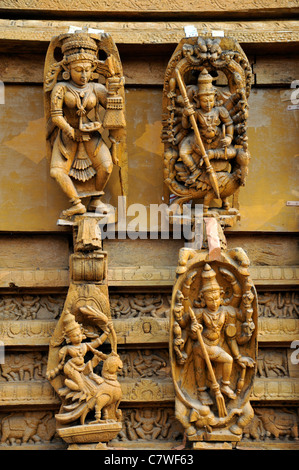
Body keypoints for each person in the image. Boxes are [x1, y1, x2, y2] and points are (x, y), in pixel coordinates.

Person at [48, 33, 114, 217]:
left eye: (87, 69)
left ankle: (95, 200)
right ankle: (76, 202)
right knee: (56, 171)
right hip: (68, 136)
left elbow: (113, 109)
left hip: (92, 135)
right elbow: (56, 116)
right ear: (68, 68)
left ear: (92, 68)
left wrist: (115, 89)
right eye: (78, 70)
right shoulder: (60, 88)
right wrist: (70, 131)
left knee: (106, 166)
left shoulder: (96, 89)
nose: (84, 75)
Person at [187, 264, 254, 406]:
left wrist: (238, 356)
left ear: (221, 295)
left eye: (216, 298)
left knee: (228, 360)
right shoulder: (200, 313)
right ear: (203, 299)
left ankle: (223, 385)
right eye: (210, 300)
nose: (214, 302)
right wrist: (194, 329)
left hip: (215, 345)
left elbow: (230, 338)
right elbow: (192, 335)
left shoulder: (226, 311)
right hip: (202, 345)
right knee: (199, 369)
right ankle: (201, 391)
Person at [179, 68, 236, 185]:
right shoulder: (196, 112)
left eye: (210, 100)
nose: (208, 104)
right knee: (183, 152)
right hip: (198, 140)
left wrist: (229, 137)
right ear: (197, 99)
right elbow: (186, 126)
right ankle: (195, 171)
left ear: (215, 98)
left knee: (232, 152)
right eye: (205, 101)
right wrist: (185, 115)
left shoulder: (220, 110)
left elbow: (229, 124)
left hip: (217, 139)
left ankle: (216, 161)